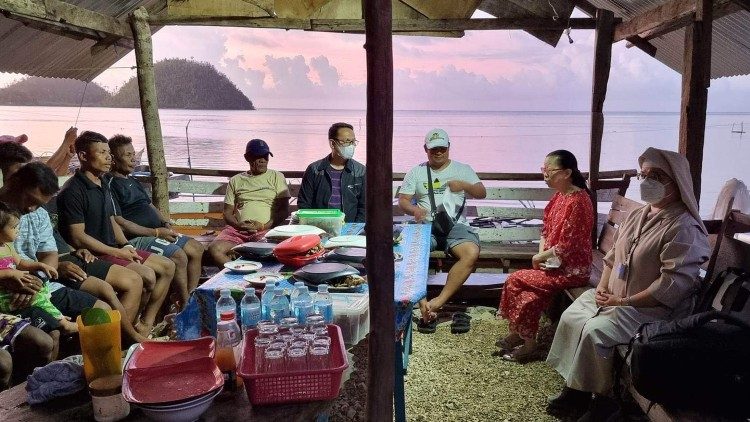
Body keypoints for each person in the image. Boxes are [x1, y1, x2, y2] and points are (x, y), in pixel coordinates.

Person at [545, 147, 710, 421]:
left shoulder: (683, 228)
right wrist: (602, 287)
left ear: (676, 182)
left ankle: (603, 400)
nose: (648, 182)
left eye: (657, 176)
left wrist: (623, 301)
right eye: (644, 175)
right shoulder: (639, 215)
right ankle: (577, 390)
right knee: (574, 314)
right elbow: (612, 259)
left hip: (652, 310)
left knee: (596, 331)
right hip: (617, 298)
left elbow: (669, 288)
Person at [0, 161, 146, 343]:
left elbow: (49, 254)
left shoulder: (39, 215)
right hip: (5, 291)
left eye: (38, 204)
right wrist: (11, 280)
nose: (31, 208)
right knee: (49, 336)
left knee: (102, 311)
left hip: (39, 285)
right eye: (30, 200)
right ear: (15, 183)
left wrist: (38, 280)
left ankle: (94, 358)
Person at [56, 131, 175, 336]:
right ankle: (121, 336)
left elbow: (111, 220)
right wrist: (116, 252)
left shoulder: (102, 184)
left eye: (109, 152)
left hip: (112, 248)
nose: (108, 157)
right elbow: (77, 236)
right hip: (93, 253)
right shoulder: (73, 191)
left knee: (168, 266)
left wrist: (125, 246)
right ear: (83, 156)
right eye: (102, 152)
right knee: (144, 276)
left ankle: (143, 324)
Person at [497, 150, 594, 362]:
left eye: (549, 170)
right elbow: (546, 229)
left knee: (514, 279)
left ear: (567, 172)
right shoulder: (559, 196)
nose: (545, 174)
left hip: (572, 269)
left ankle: (522, 337)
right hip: (553, 264)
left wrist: (539, 258)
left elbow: (569, 245)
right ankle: (525, 339)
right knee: (529, 298)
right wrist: (541, 254)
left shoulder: (579, 202)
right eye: (544, 169)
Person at [398, 128, 486, 327]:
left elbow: (481, 192)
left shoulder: (462, 169)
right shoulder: (416, 171)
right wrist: (414, 211)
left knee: (470, 253)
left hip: (456, 224)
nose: (438, 152)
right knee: (411, 253)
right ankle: (422, 304)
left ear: (449, 148)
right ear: (425, 149)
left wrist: (464, 185)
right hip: (426, 224)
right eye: (433, 149)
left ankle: (438, 301)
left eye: (442, 149)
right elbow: (403, 201)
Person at [106, 134, 204, 307]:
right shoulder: (111, 184)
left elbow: (149, 205)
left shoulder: (133, 181)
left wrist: (165, 223)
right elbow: (120, 222)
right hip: (138, 238)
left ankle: (191, 295)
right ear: (113, 159)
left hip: (159, 230)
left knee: (196, 249)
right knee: (179, 256)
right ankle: (185, 305)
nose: (133, 159)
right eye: (127, 155)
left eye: (134, 154)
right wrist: (157, 233)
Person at [0, 202, 81, 334]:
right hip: (3, 295)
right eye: (14, 228)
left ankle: (56, 317)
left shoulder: (8, 246)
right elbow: (11, 271)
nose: (18, 231)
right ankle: (64, 324)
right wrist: (10, 273)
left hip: (12, 288)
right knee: (37, 297)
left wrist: (40, 265)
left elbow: (20, 262)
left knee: (41, 291)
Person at [207, 139, 291, 265]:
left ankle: (249, 275)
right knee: (215, 249)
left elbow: (284, 210)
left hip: (265, 230)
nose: (263, 160)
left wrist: (263, 226)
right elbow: (227, 213)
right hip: (237, 230)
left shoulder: (277, 177)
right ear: (247, 158)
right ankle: (237, 276)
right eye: (258, 156)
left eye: (266, 156)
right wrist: (238, 225)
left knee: (271, 252)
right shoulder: (236, 180)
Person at [298, 122, 366, 222]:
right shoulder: (315, 170)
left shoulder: (360, 171)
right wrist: (313, 226)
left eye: (353, 142)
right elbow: (304, 203)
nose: (351, 146)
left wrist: (354, 228)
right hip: (319, 227)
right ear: (332, 143)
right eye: (347, 142)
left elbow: (364, 207)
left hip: (350, 230)